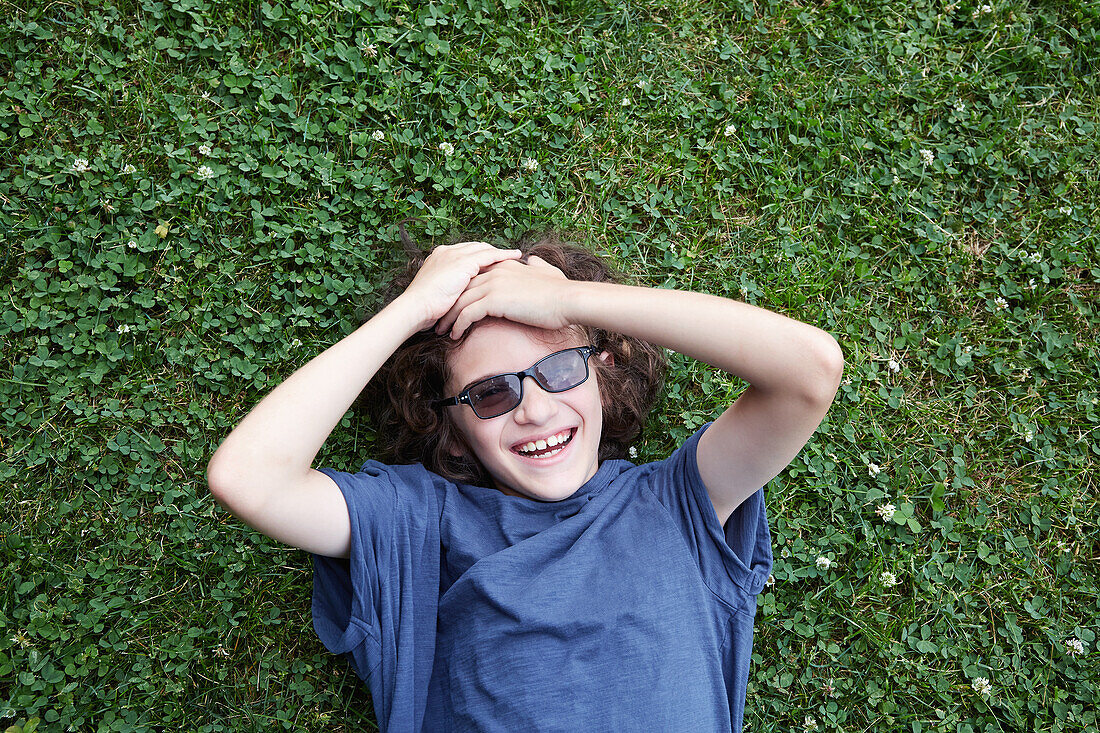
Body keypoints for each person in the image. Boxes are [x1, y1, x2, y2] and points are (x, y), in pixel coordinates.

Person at [206, 233, 844, 732]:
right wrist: (412, 311)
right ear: (452, 432)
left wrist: (569, 302)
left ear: (605, 373)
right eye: (490, 393)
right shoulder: (420, 522)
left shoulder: (678, 503)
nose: (534, 409)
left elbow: (808, 371)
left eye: (562, 368)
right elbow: (248, 478)